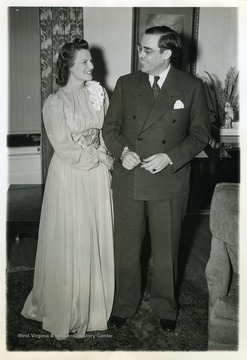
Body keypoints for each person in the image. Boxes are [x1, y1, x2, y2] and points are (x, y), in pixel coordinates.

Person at [102, 26, 210, 332]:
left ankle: (165, 308)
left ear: (167, 54)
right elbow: (109, 129)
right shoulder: (126, 84)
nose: (140, 55)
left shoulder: (190, 87)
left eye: (147, 50)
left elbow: (201, 134)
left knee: (167, 251)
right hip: (130, 179)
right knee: (126, 249)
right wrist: (122, 151)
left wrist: (170, 157)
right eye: (140, 48)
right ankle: (123, 305)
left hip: (169, 181)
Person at [21, 38, 114, 340]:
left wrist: (107, 157)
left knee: (95, 237)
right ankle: (67, 309)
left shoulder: (98, 94)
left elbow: (104, 133)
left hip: (98, 174)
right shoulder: (55, 102)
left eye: (91, 61)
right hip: (71, 174)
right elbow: (63, 147)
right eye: (85, 62)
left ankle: (93, 309)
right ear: (70, 66)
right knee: (71, 238)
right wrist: (97, 156)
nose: (92, 66)